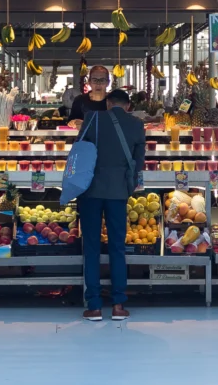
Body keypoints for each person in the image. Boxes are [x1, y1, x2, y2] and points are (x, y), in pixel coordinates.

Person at [76, 89, 145, 321]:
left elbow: (79, 150)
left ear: (108, 103)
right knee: (117, 246)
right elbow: (139, 162)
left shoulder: (92, 118)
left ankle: (94, 305)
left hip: (90, 189)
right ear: (127, 106)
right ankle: (118, 305)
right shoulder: (136, 124)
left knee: (92, 247)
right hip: (118, 192)